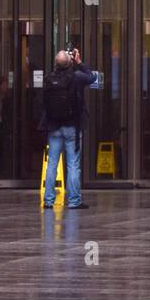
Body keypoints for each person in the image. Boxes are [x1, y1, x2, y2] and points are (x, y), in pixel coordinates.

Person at [39, 46, 98, 210]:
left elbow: (43, 102)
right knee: (73, 164)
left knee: (52, 163)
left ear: (56, 64)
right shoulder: (77, 76)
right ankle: (74, 201)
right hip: (72, 126)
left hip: (53, 126)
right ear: (70, 62)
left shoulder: (49, 79)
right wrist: (79, 63)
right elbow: (92, 77)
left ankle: (49, 201)